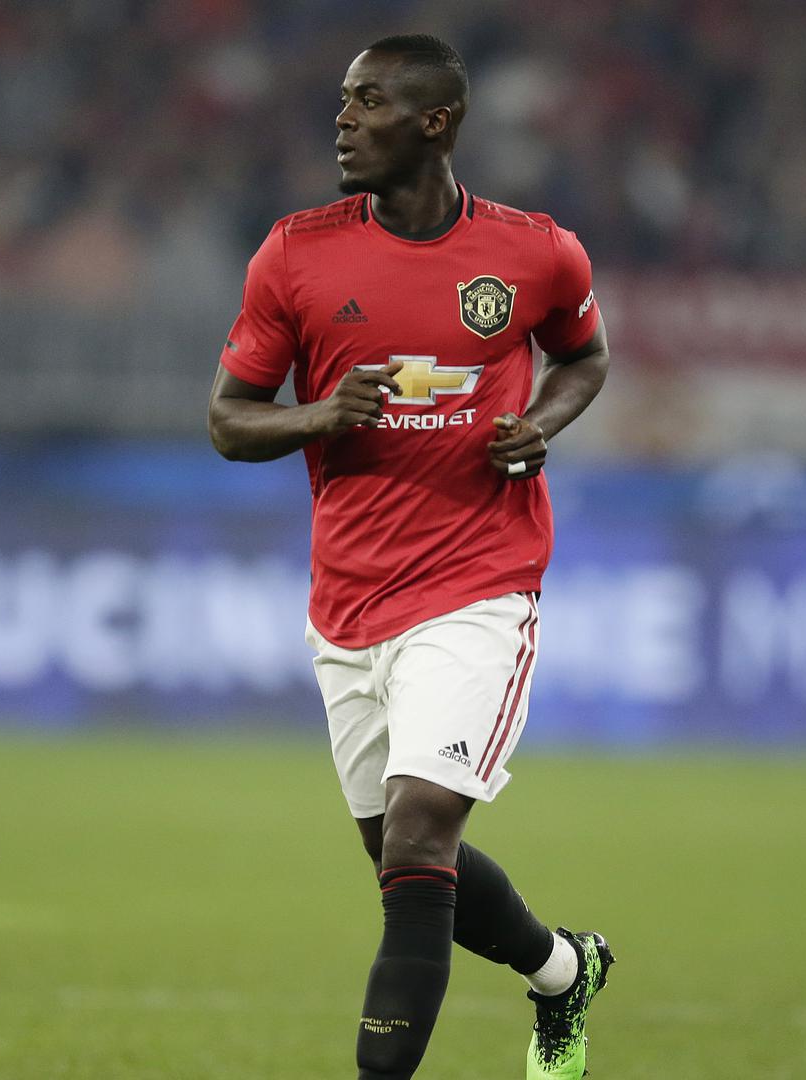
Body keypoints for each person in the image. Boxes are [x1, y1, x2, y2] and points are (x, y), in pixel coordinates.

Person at [205, 33, 615, 1080]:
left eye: (369, 101)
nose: (343, 120)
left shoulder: (536, 253)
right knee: (399, 856)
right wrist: (318, 414)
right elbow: (228, 419)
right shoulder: (295, 254)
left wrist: (540, 425)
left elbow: (583, 357)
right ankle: (564, 971)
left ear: (436, 122)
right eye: (344, 100)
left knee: (422, 836)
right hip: (348, 603)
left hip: (479, 584)